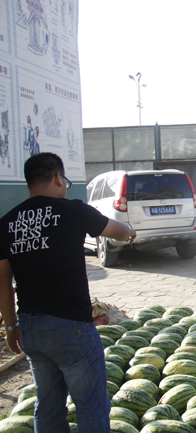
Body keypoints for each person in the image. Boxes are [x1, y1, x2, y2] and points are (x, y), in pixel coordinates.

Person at [0, 153, 136, 431]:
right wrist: (130, 232)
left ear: (29, 183)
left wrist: (11, 327)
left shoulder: (7, 222)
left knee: (47, 407)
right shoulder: (72, 210)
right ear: (58, 178)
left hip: (31, 328)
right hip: (70, 326)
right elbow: (118, 231)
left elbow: (2, 282)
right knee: (92, 407)